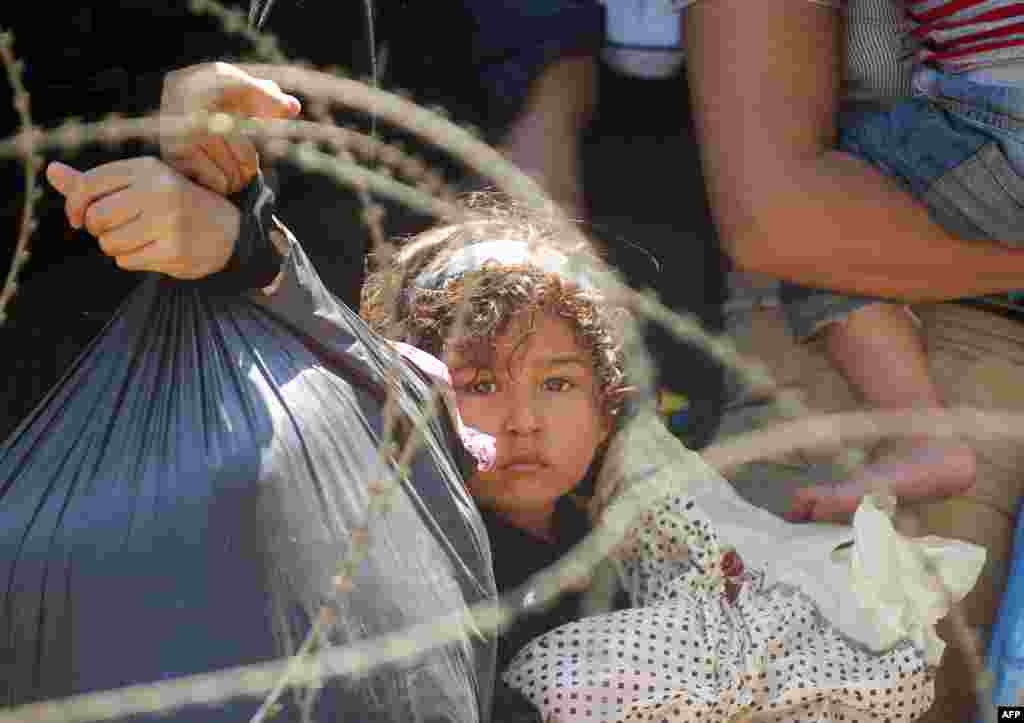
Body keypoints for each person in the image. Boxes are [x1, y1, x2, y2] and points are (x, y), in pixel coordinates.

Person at [682, 0, 1024, 719]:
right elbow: (777, 221)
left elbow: (787, 214)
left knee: (820, 196)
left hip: (974, 170)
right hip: (946, 277)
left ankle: (923, 429)